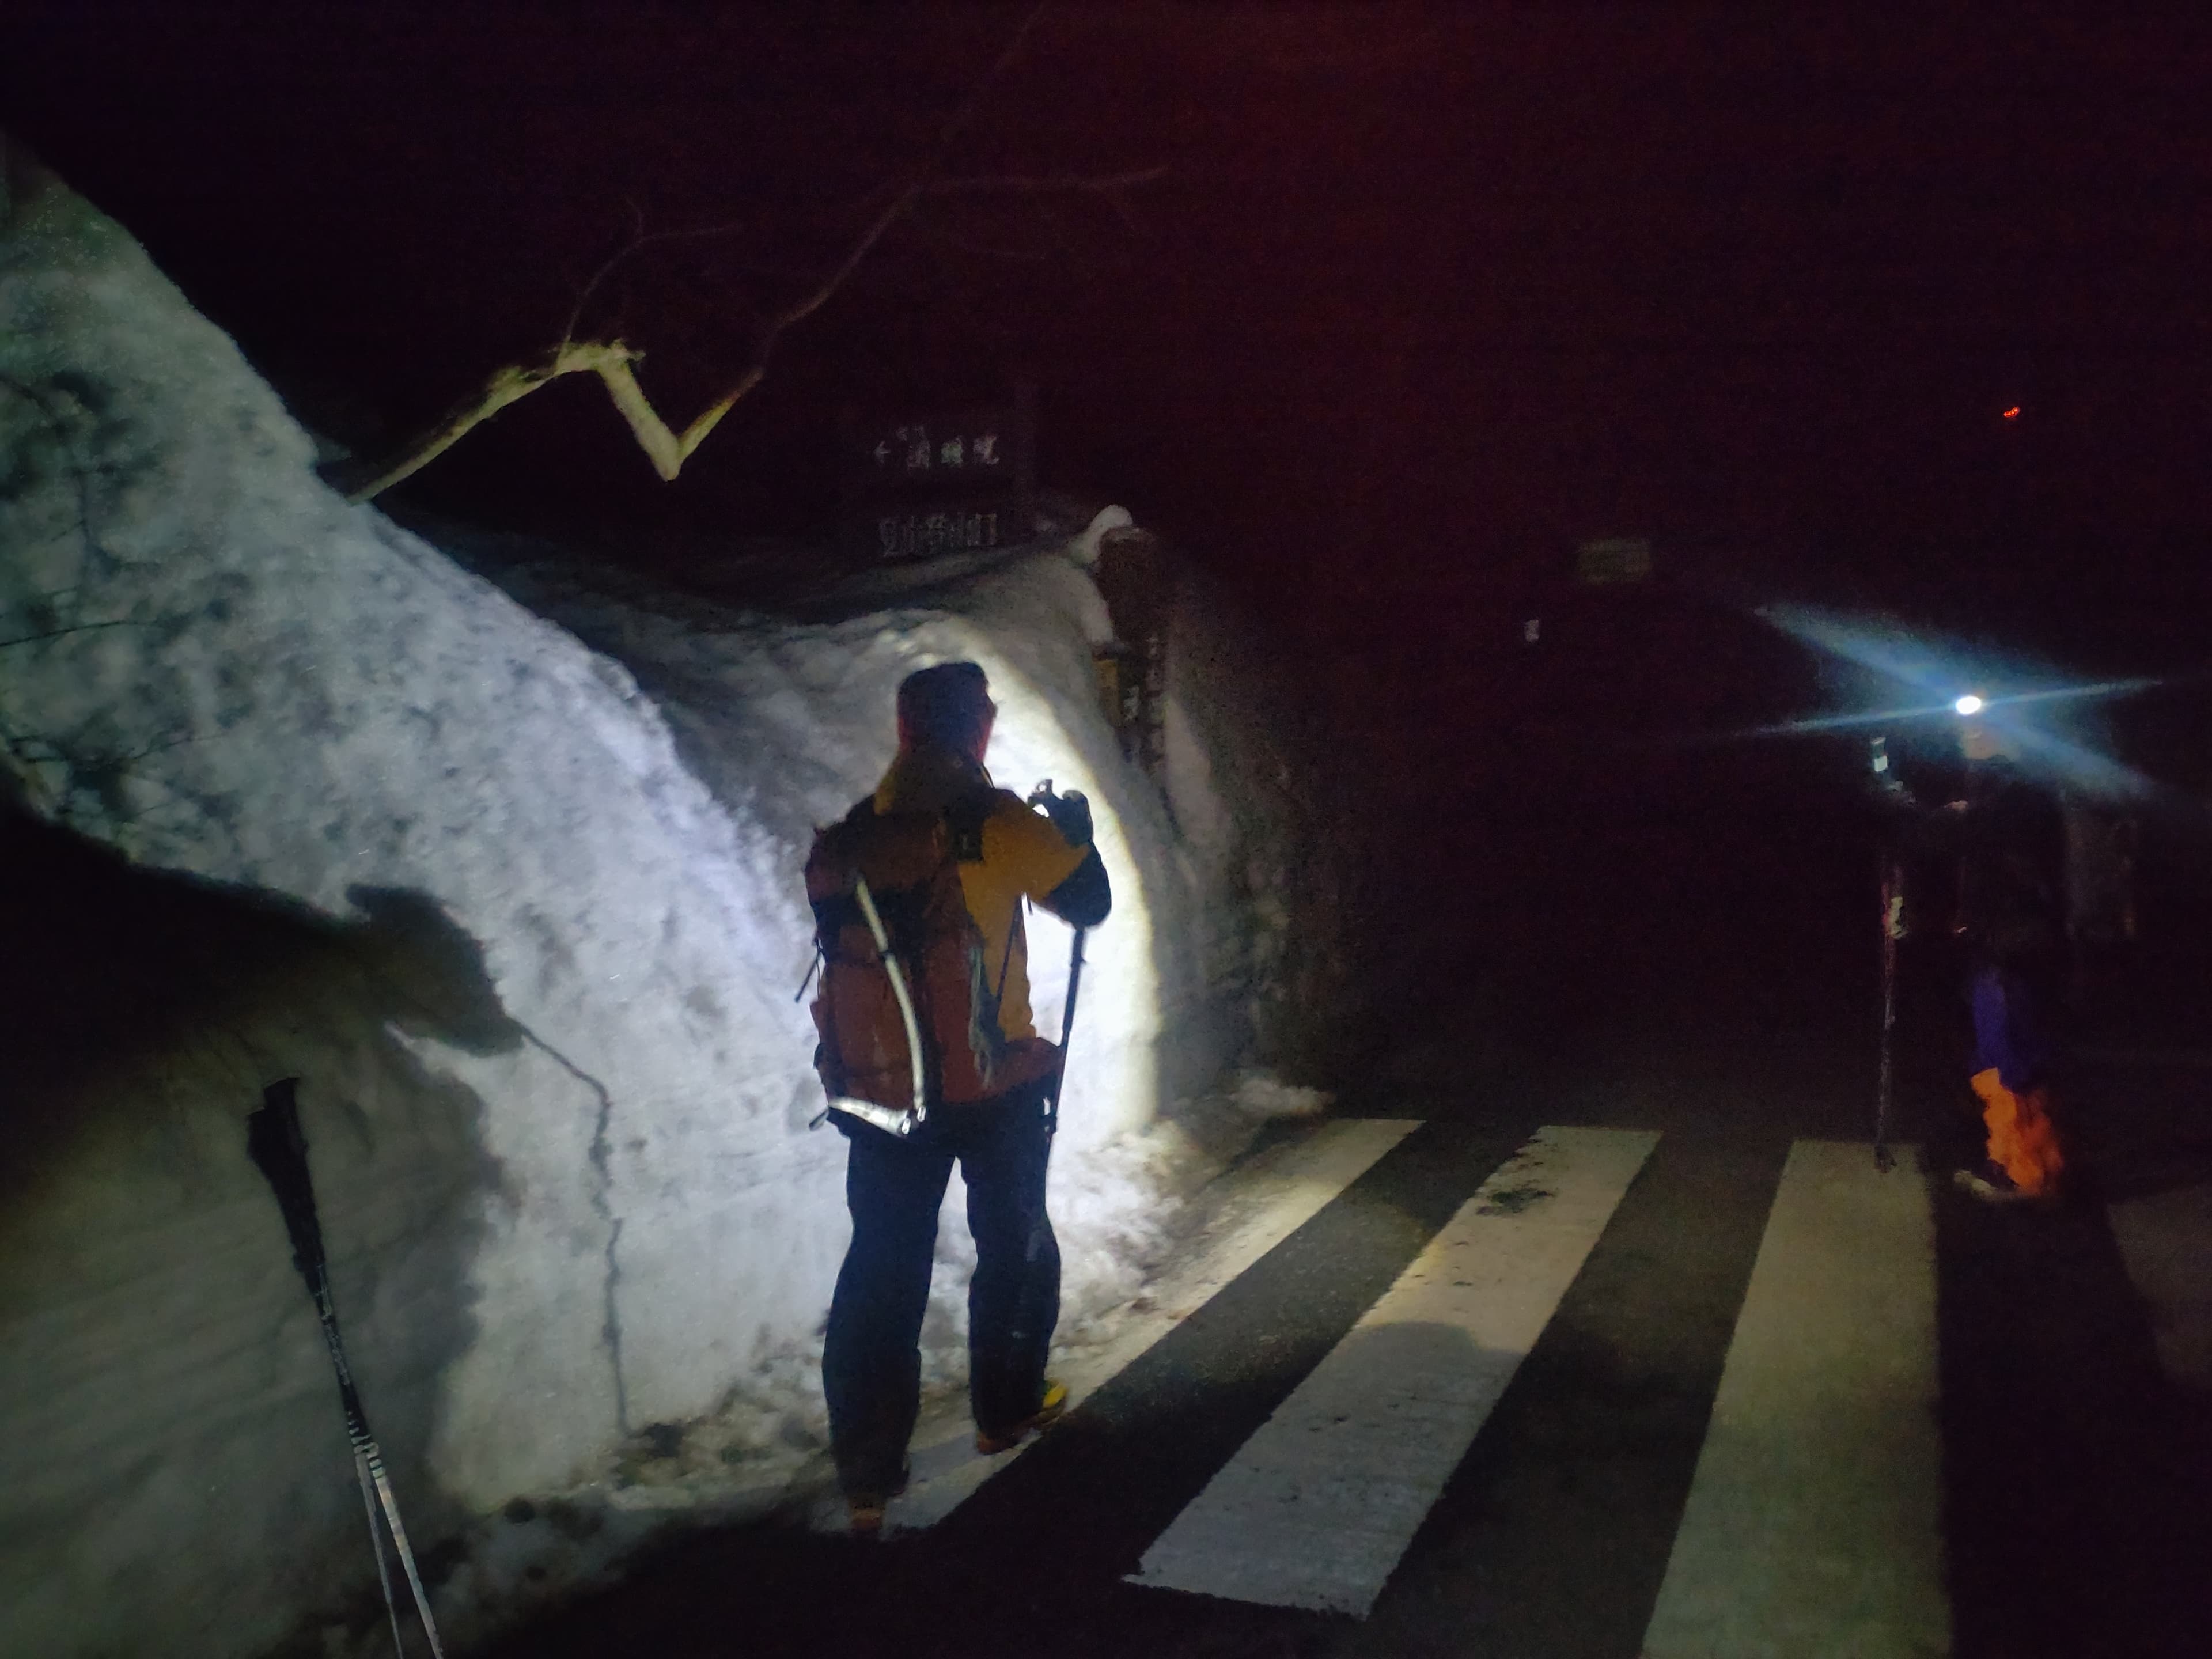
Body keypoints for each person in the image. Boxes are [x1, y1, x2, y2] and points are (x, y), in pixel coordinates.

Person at [820, 661, 1111, 1533]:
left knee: (882, 1269)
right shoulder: (995, 820)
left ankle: (869, 1472)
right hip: (992, 1085)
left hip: (887, 1090)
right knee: (1016, 1244)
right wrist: (1074, 833)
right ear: (972, 732)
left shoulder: (864, 830)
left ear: (907, 733)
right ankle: (1006, 1409)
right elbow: (1088, 903)